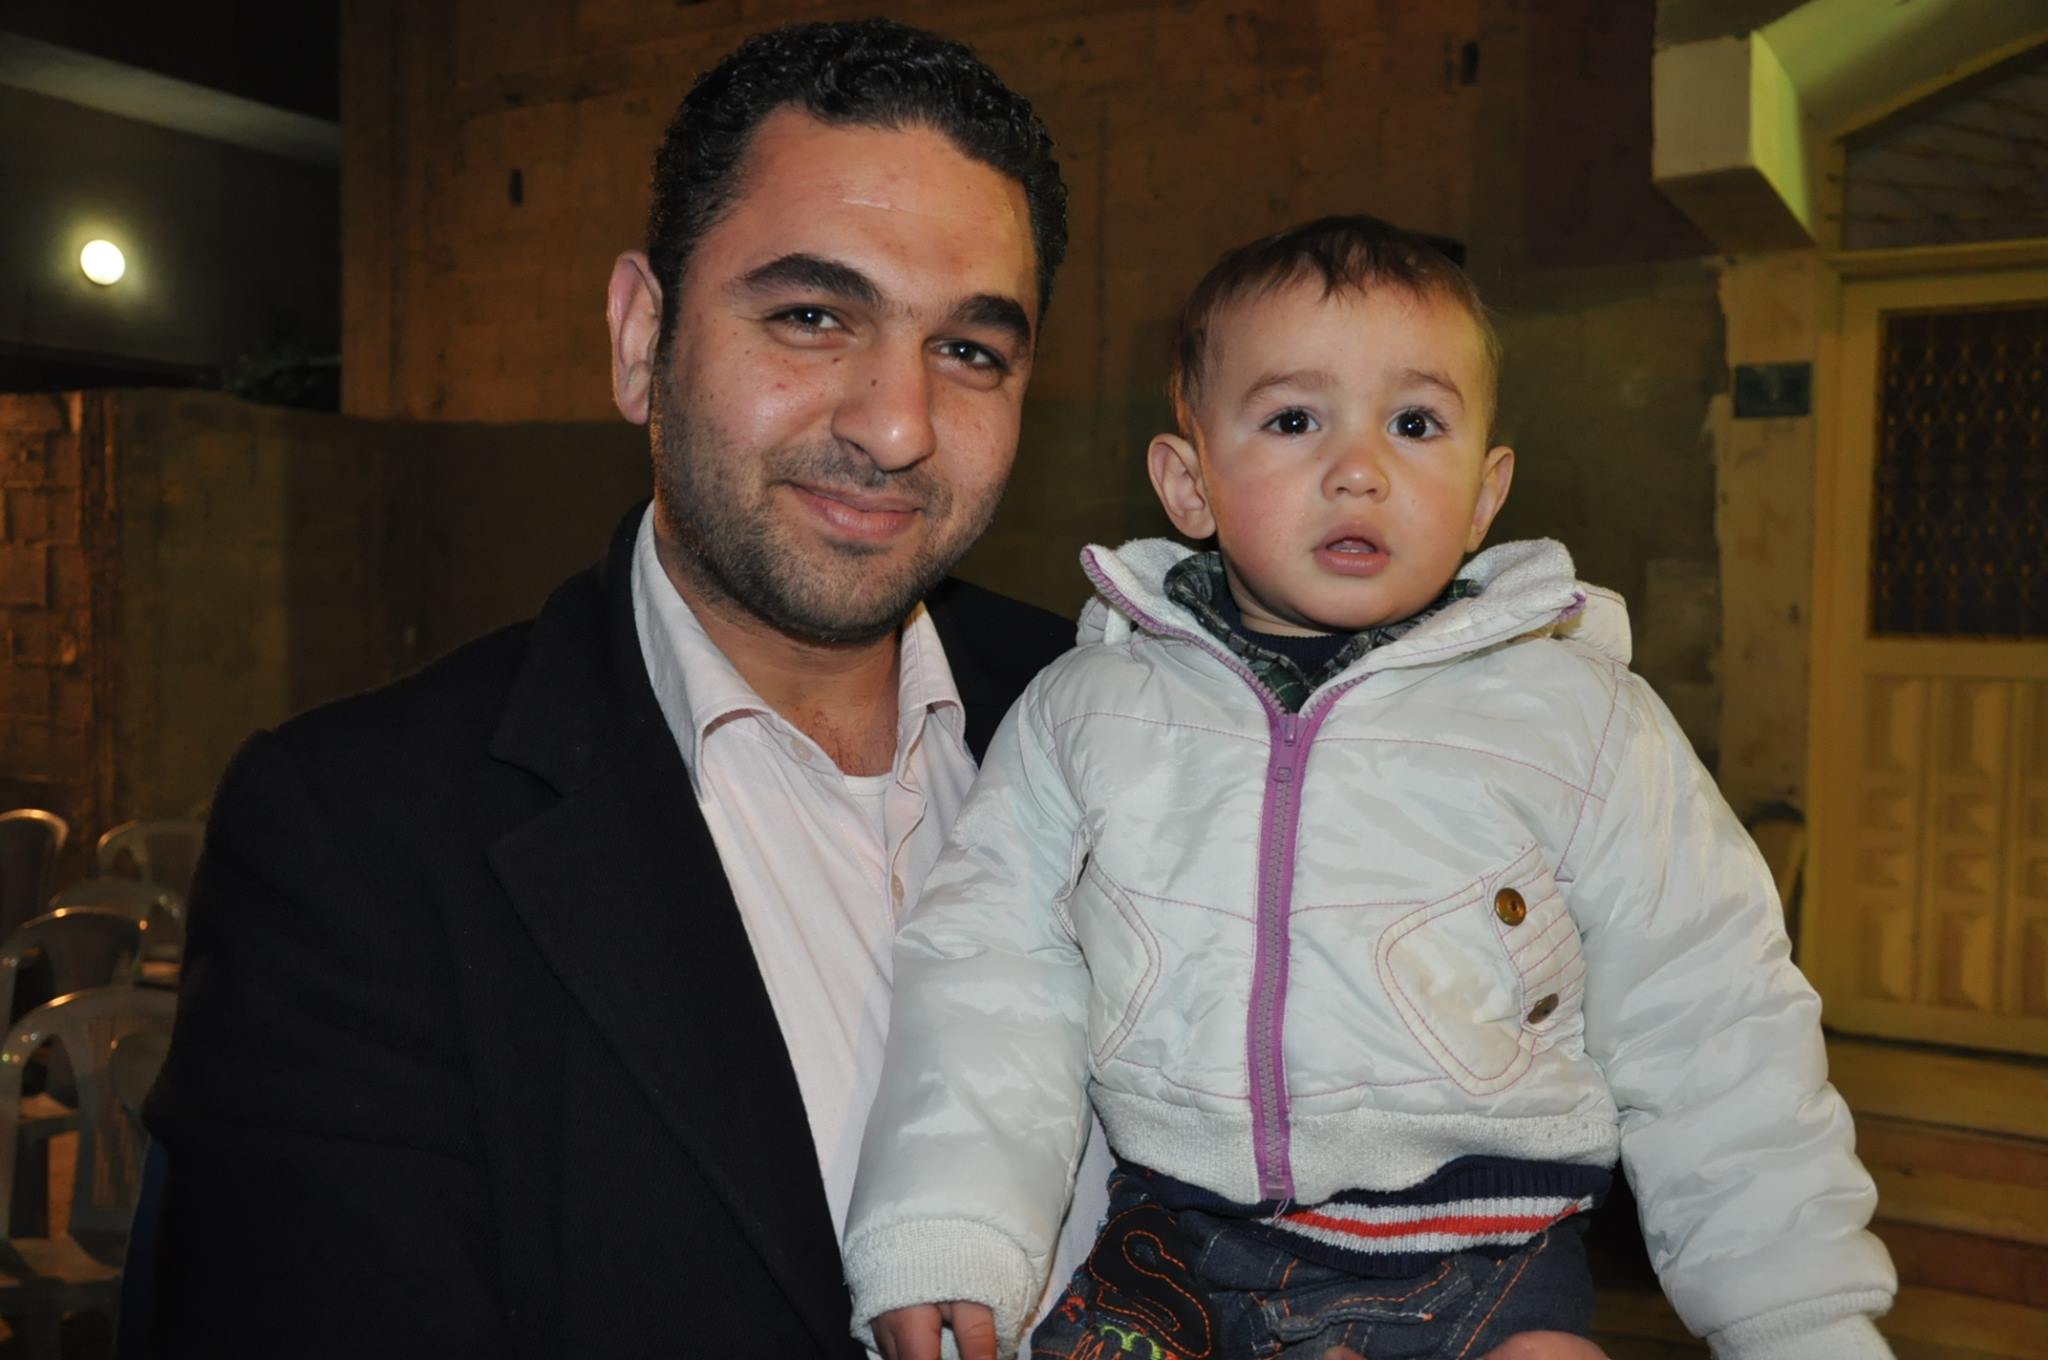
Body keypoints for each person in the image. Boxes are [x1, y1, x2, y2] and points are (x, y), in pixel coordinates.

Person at [136, 19, 1114, 1358]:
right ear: (641, 336)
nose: (897, 425)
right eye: (812, 317)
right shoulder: (355, 842)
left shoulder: (1126, 717)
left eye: (970, 351)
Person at [844, 216, 1897, 1360]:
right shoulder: (1085, 712)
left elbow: (1709, 1012)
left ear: (1484, 493)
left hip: (1485, 1267)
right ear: (1188, 483)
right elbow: (992, 974)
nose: (1359, 467)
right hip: (1178, 1248)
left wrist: (1800, 1318)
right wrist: (949, 1227)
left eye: (1414, 423)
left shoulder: (1582, 721)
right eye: (1294, 419)